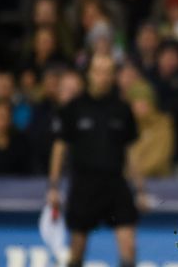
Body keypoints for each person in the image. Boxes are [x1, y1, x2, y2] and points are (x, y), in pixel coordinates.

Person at [46, 53, 145, 267]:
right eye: (99, 71)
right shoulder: (73, 108)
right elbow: (59, 147)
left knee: (129, 246)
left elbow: (131, 152)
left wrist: (140, 189)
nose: (104, 77)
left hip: (115, 183)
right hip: (84, 184)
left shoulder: (122, 108)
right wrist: (53, 187)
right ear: (89, 74)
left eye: (109, 72)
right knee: (77, 251)